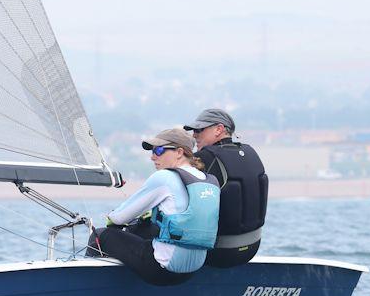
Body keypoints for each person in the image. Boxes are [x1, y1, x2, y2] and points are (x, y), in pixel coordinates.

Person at [88, 128, 220, 285]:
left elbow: (118, 218)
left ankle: (93, 291)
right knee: (143, 229)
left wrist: (112, 220)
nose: (152, 157)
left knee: (102, 235)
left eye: (159, 150)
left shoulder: (165, 177)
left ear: (179, 152)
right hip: (193, 269)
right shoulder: (209, 180)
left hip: (162, 270)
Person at [184, 109, 268, 268]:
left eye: (199, 130)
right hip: (252, 248)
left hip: (219, 253)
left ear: (219, 129)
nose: (194, 135)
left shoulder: (204, 158)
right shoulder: (251, 152)